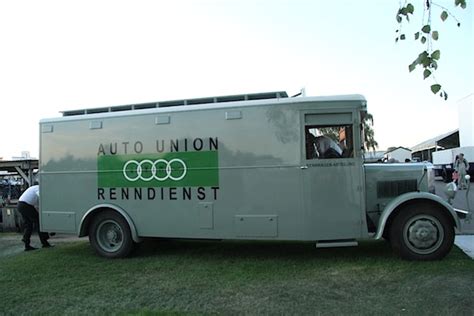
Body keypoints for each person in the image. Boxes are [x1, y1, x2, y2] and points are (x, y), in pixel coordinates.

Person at [17, 184, 52, 251]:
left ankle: (26, 243)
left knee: (28, 225)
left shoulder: (33, 188)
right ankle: (45, 243)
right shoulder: (38, 188)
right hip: (26, 205)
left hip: (20, 205)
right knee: (39, 222)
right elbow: (41, 199)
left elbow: (38, 205)